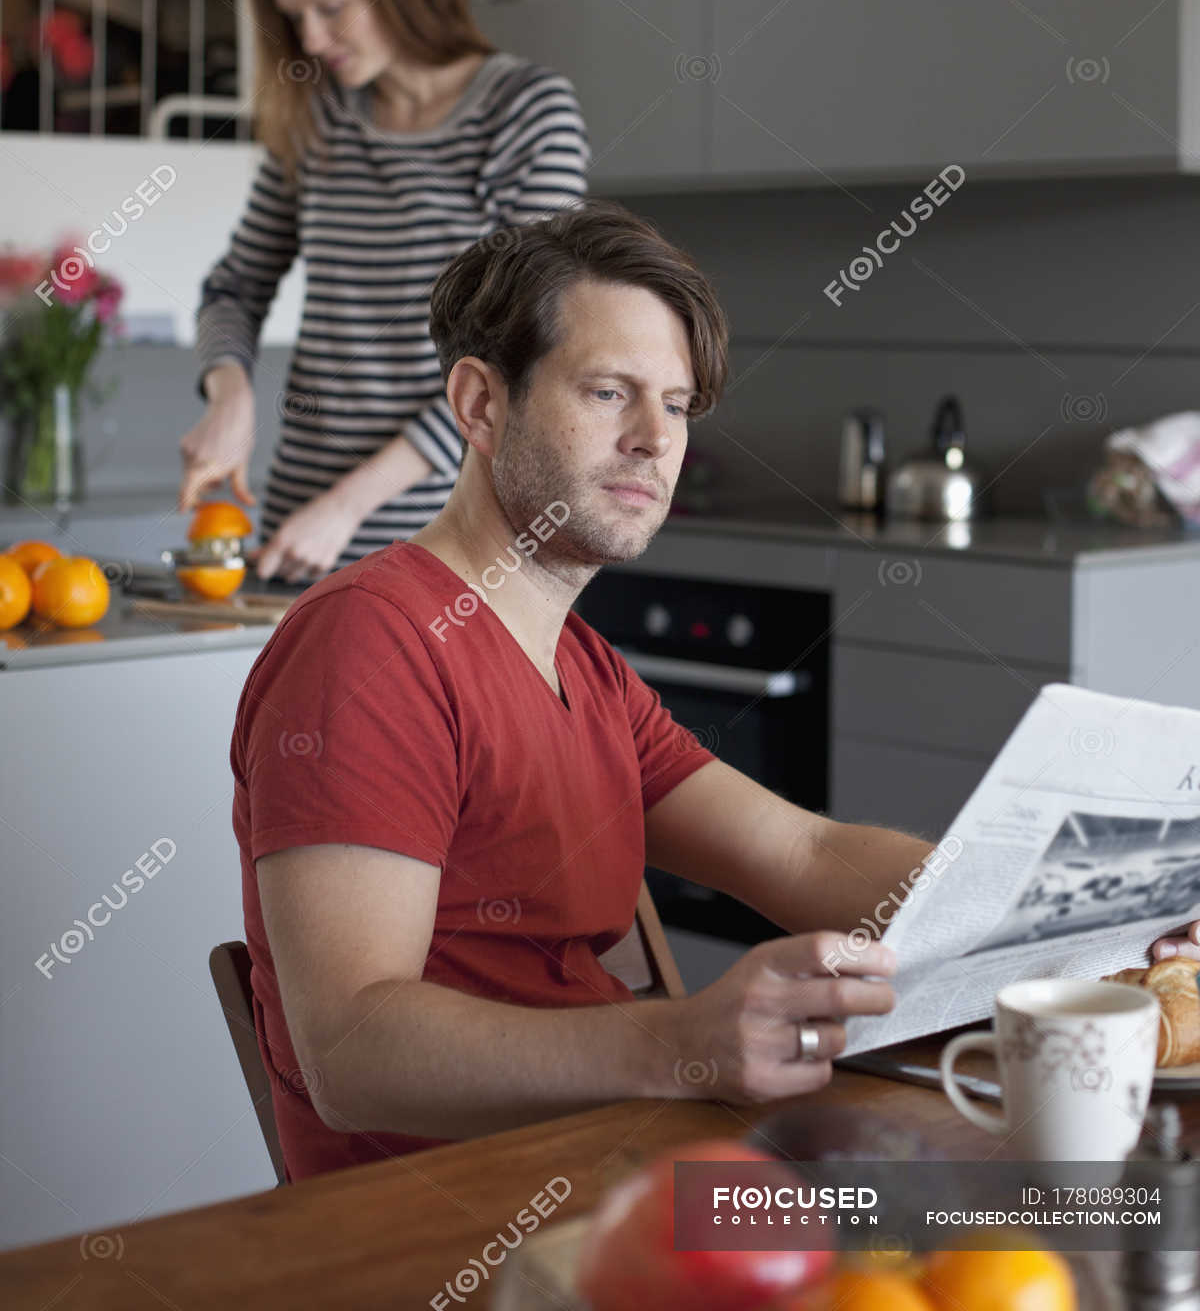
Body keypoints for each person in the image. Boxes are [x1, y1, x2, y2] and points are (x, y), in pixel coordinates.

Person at [230, 200, 939, 1184]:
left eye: (679, 404)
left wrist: (1052, 912)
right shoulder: (370, 644)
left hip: (625, 1173)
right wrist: (681, 1043)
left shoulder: (587, 668)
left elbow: (801, 850)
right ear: (481, 404)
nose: (656, 438)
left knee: (1016, 1217)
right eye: (610, 392)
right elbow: (349, 1050)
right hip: (443, 1229)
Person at [179, 0, 589, 579]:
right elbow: (235, 286)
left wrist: (347, 506)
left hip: (451, 536)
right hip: (302, 525)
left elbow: (521, 349)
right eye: (294, 17)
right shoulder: (320, 118)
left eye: (331, 8)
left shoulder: (524, 112)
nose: (311, 37)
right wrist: (230, 396)